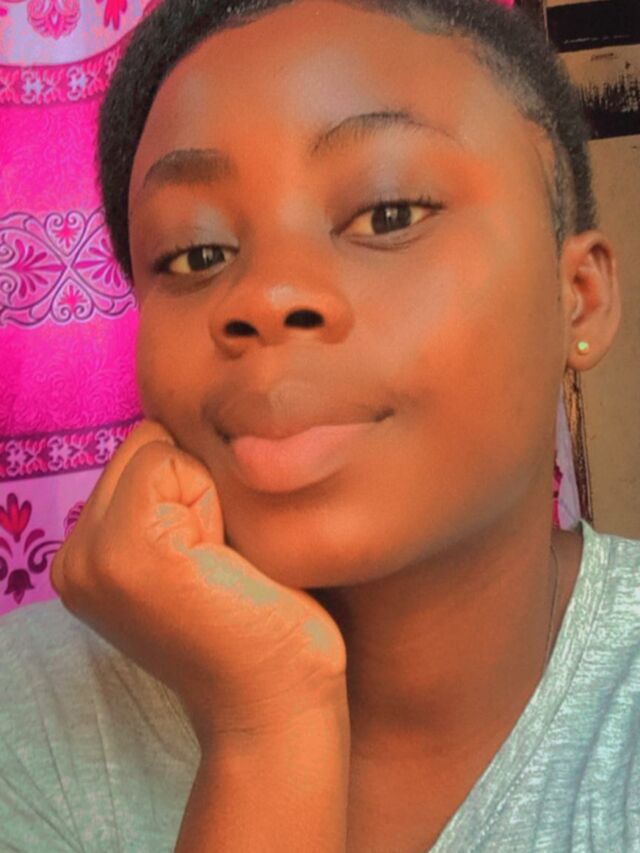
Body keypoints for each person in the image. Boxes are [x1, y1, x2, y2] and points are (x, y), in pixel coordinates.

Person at [0, 0, 637, 850]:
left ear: (578, 299)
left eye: (388, 213)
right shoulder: (27, 717)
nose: (265, 295)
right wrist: (267, 724)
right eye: (197, 253)